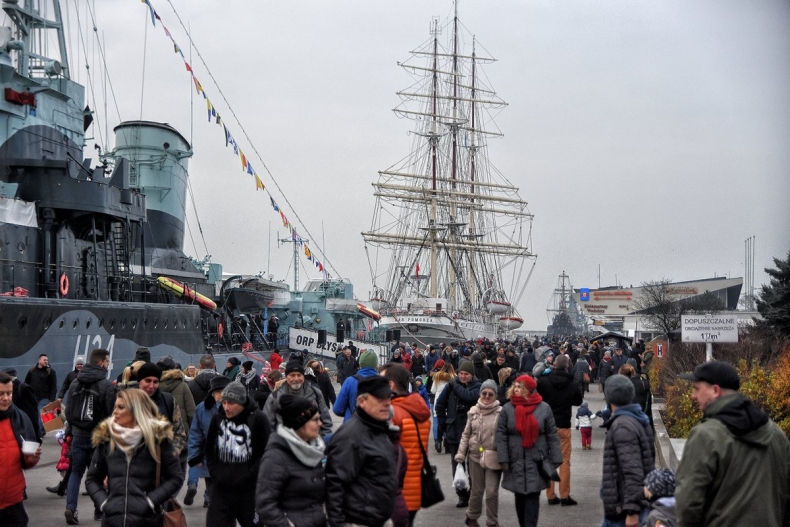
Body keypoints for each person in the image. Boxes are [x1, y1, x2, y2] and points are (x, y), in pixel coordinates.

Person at [675, 361, 790, 527]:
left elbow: (688, 502)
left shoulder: (706, 435)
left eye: (696, 388)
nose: (693, 396)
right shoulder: (776, 434)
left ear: (715, 391)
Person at [85, 388, 183, 527]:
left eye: (121, 407)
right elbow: (92, 479)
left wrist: (150, 501)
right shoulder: (107, 440)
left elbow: (176, 477)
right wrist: (104, 503)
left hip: (147, 521)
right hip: (113, 521)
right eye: (115, 407)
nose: (115, 412)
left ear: (136, 410)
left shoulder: (158, 440)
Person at [325, 376, 398, 527]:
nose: (387, 403)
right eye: (379, 399)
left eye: (388, 397)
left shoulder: (377, 428)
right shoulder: (351, 436)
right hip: (358, 520)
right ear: (362, 402)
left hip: (377, 518)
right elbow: (334, 485)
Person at [496, 374, 562, 527]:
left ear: (529, 390)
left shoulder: (544, 408)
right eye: (515, 386)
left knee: (533, 496)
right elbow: (501, 435)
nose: (516, 389)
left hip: (537, 459)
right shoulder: (507, 408)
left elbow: (552, 434)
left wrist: (556, 458)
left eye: (520, 387)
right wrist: (503, 459)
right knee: (519, 496)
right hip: (515, 459)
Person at [205, 382, 272, 527]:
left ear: (241, 403)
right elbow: (209, 447)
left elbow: (266, 452)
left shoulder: (258, 418)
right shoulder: (218, 417)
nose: (226, 407)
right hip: (221, 489)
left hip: (249, 491)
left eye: (231, 403)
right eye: (224, 402)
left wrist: (250, 474)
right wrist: (215, 472)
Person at [256, 395, 327, 527]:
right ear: (299, 423)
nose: (320, 423)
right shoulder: (276, 456)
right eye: (315, 420)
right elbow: (265, 504)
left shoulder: (313, 450)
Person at [64, 348, 117, 525]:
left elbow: (69, 411)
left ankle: (71, 508)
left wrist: (69, 432)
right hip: (98, 437)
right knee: (98, 474)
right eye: (107, 361)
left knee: (76, 472)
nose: (108, 363)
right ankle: (98, 510)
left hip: (78, 435)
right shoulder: (107, 385)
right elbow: (110, 414)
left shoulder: (75, 383)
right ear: (101, 362)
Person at [600, 374, 654, 527]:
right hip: (626, 506)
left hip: (622, 511)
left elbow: (633, 471)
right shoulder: (638, 419)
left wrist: (632, 511)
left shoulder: (623, 426)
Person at [381, 363, 432, 527]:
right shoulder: (418, 406)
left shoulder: (393, 412)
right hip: (415, 485)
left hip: (395, 488)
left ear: (390, 385)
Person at [536, 353, 582, 505]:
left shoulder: (544, 381)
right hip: (563, 424)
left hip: (547, 425)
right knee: (565, 461)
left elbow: (537, 397)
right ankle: (564, 495)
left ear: (554, 364)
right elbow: (578, 401)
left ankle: (550, 495)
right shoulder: (573, 383)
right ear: (568, 366)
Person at [455, 379, 503, 527]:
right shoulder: (473, 412)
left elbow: (506, 437)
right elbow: (466, 434)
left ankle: (492, 522)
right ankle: (471, 517)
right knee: (476, 491)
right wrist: (461, 454)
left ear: (495, 396)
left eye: (490, 394)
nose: (487, 397)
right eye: (484, 393)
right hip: (475, 457)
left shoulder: (501, 414)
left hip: (493, 459)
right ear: (480, 394)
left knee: (491, 493)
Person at [435, 360, 481, 507]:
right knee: (457, 465)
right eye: (460, 373)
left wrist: (454, 384)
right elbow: (439, 405)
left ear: (472, 375)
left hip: (474, 432)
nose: (462, 376)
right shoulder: (450, 386)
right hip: (454, 431)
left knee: (475, 466)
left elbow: (468, 396)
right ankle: (461, 494)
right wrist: (443, 424)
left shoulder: (478, 387)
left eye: (466, 374)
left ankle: (474, 493)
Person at [0, 370, 41, 527]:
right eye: (1, 394)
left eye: (9, 393)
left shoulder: (20, 418)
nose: (6, 398)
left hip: (13, 502)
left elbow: (25, 460)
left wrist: (30, 459)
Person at [185, 375, 230, 508]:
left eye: (224, 391)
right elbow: (195, 434)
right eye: (217, 392)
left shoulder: (237, 407)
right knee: (213, 488)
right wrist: (194, 455)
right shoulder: (202, 408)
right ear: (212, 393)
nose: (220, 395)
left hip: (231, 455)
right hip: (210, 454)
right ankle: (210, 500)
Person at [264, 361, 332, 437]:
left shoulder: (316, 393)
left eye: (299, 375)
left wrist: (324, 441)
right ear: (286, 377)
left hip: (312, 443)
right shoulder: (275, 397)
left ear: (303, 376)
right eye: (292, 375)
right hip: (286, 444)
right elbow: (267, 426)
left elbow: (326, 421)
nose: (296, 379)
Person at [333, 349, 379, 422]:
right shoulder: (383, 382)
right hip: (375, 429)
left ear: (360, 364)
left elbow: (338, 409)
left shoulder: (350, 381)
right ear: (376, 365)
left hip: (352, 426)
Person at [157, 356, 197, 428]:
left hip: (160, 430)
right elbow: (191, 412)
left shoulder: (152, 386)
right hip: (181, 430)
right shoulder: (183, 386)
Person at [25, 353, 57, 435]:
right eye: (44, 360)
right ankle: (41, 431)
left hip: (44, 398)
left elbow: (54, 386)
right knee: (34, 415)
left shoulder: (50, 372)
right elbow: (26, 383)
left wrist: (52, 400)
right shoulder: (32, 371)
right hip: (33, 397)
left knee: (40, 413)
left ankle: (37, 433)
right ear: (39, 361)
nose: (46, 361)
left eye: (47, 360)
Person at [430, 360, 455, 452]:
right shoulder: (454, 378)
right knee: (449, 421)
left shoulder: (437, 377)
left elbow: (433, 390)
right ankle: (447, 440)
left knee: (437, 420)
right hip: (450, 400)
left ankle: (438, 441)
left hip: (438, 400)